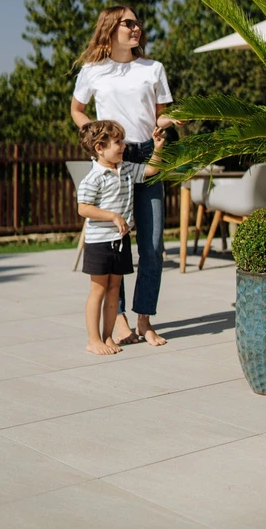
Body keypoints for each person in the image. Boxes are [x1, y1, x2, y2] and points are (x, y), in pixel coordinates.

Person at [71, 5, 178, 347]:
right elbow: (77, 109)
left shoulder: (153, 68)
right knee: (113, 243)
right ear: (110, 28)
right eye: (128, 23)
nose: (136, 28)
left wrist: (167, 124)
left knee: (153, 244)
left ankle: (145, 319)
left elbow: (159, 115)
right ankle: (117, 320)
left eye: (137, 23)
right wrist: (96, 138)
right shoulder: (92, 70)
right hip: (112, 160)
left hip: (147, 155)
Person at [77, 120, 165, 355]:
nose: (123, 146)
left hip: (120, 242)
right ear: (99, 147)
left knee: (114, 289)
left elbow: (151, 171)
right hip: (99, 243)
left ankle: (107, 337)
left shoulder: (125, 168)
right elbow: (83, 208)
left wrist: (156, 149)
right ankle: (92, 339)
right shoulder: (94, 178)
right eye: (117, 142)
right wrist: (113, 216)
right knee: (98, 290)